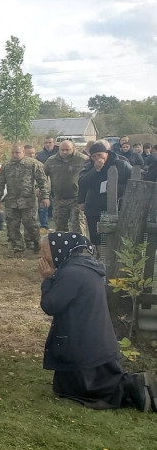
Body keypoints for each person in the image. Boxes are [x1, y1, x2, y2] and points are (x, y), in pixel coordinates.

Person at [38, 233, 155, 411]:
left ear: (57, 249)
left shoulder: (71, 272)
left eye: (44, 251)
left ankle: (132, 385)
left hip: (81, 346)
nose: (42, 256)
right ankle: (136, 387)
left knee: (86, 389)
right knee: (65, 387)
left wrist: (47, 279)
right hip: (97, 342)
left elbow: (51, 304)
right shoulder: (86, 267)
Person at [0, 144, 50, 255]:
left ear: (23, 152)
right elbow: (0, 183)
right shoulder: (6, 166)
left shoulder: (33, 164)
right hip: (12, 201)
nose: (15, 155)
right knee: (12, 226)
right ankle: (18, 248)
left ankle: (37, 243)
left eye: (17, 153)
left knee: (30, 224)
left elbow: (43, 182)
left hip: (28, 200)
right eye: (13, 153)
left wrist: (45, 197)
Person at [78, 143, 131, 244]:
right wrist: (96, 170)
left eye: (99, 155)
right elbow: (82, 183)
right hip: (94, 207)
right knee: (96, 237)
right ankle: (98, 256)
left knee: (115, 237)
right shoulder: (89, 165)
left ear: (106, 153)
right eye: (94, 156)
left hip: (116, 206)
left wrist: (118, 189)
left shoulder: (121, 164)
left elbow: (134, 181)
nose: (97, 158)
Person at [43, 140, 87, 233]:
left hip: (76, 197)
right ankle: (62, 246)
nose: (64, 152)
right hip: (59, 198)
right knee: (60, 227)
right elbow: (42, 176)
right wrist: (43, 191)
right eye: (62, 150)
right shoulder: (51, 161)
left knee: (78, 225)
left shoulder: (83, 159)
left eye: (67, 150)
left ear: (73, 148)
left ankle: (79, 246)